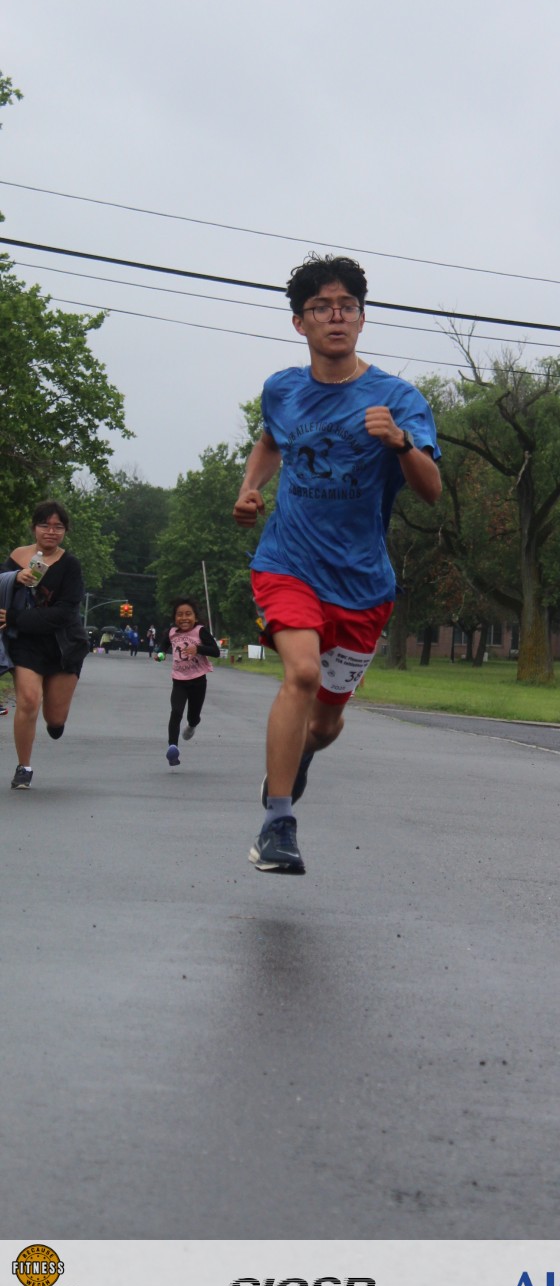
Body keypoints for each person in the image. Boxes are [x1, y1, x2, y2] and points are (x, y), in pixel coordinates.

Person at [233, 254, 442, 875]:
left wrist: (400, 443)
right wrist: (250, 489)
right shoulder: (282, 389)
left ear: (361, 318)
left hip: (362, 585)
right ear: (300, 323)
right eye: (321, 307)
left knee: (324, 726)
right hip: (288, 563)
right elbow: (269, 440)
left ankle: (299, 755)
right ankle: (277, 825)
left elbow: (431, 490)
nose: (336, 316)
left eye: (347, 306)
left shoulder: (398, 399)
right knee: (300, 673)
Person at [0, 499, 90, 791]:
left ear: (65, 531)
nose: (51, 531)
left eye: (58, 526)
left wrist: (15, 618)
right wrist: (16, 578)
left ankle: (55, 724)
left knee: (54, 717)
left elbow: (64, 613)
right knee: (28, 701)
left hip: (63, 646)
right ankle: (23, 767)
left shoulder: (70, 565)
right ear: (34, 528)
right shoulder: (18, 556)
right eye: (45, 525)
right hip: (26, 645)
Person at [160, 598, 220, 766]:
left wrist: (198, 648)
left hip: (198, 681)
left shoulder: (200, 631)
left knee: (193, 716)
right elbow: (162, 647)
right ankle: (172, 749)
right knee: (176, 712)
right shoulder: (172, 632)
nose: (184, 618)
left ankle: (192, 725)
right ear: (174, 618)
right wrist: (160, 654)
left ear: (195, 617)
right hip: (179, 681)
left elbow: (215, 651)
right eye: (179, 615)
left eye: (188, 614)